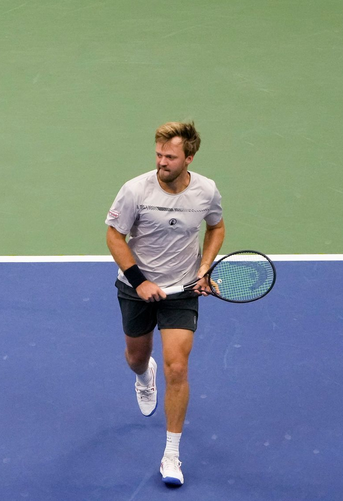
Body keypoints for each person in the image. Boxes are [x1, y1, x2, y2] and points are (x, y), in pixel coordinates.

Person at [105, 121, 225, 487]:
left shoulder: (206, 191)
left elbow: (216, 227)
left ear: (189, 158)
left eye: (170, 157)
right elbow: (114, 235)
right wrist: (140, 283)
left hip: (183, 290)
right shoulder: (134, 190)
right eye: (158, 155)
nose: (161, 162)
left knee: (177, 367)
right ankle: (144, 375)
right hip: (136, 288)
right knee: (136, 358)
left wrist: (203, 270)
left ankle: (171, 453)